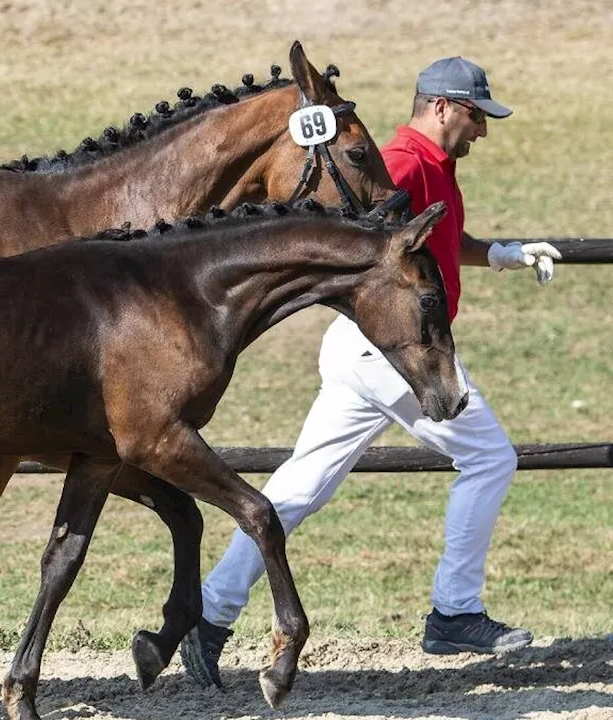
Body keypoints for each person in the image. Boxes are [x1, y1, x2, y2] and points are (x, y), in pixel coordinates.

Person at [182, 56, 562, 688]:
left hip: (358, 350)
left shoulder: (436, 166)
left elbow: (433, 242)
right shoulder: (405, 162)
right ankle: (455, 612)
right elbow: (369, 251)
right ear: (441, 108)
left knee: (299, 488)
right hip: (387, 350)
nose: (483, 131)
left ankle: (209, 618)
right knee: (491, 456)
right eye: (475, 117)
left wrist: (502, 254)